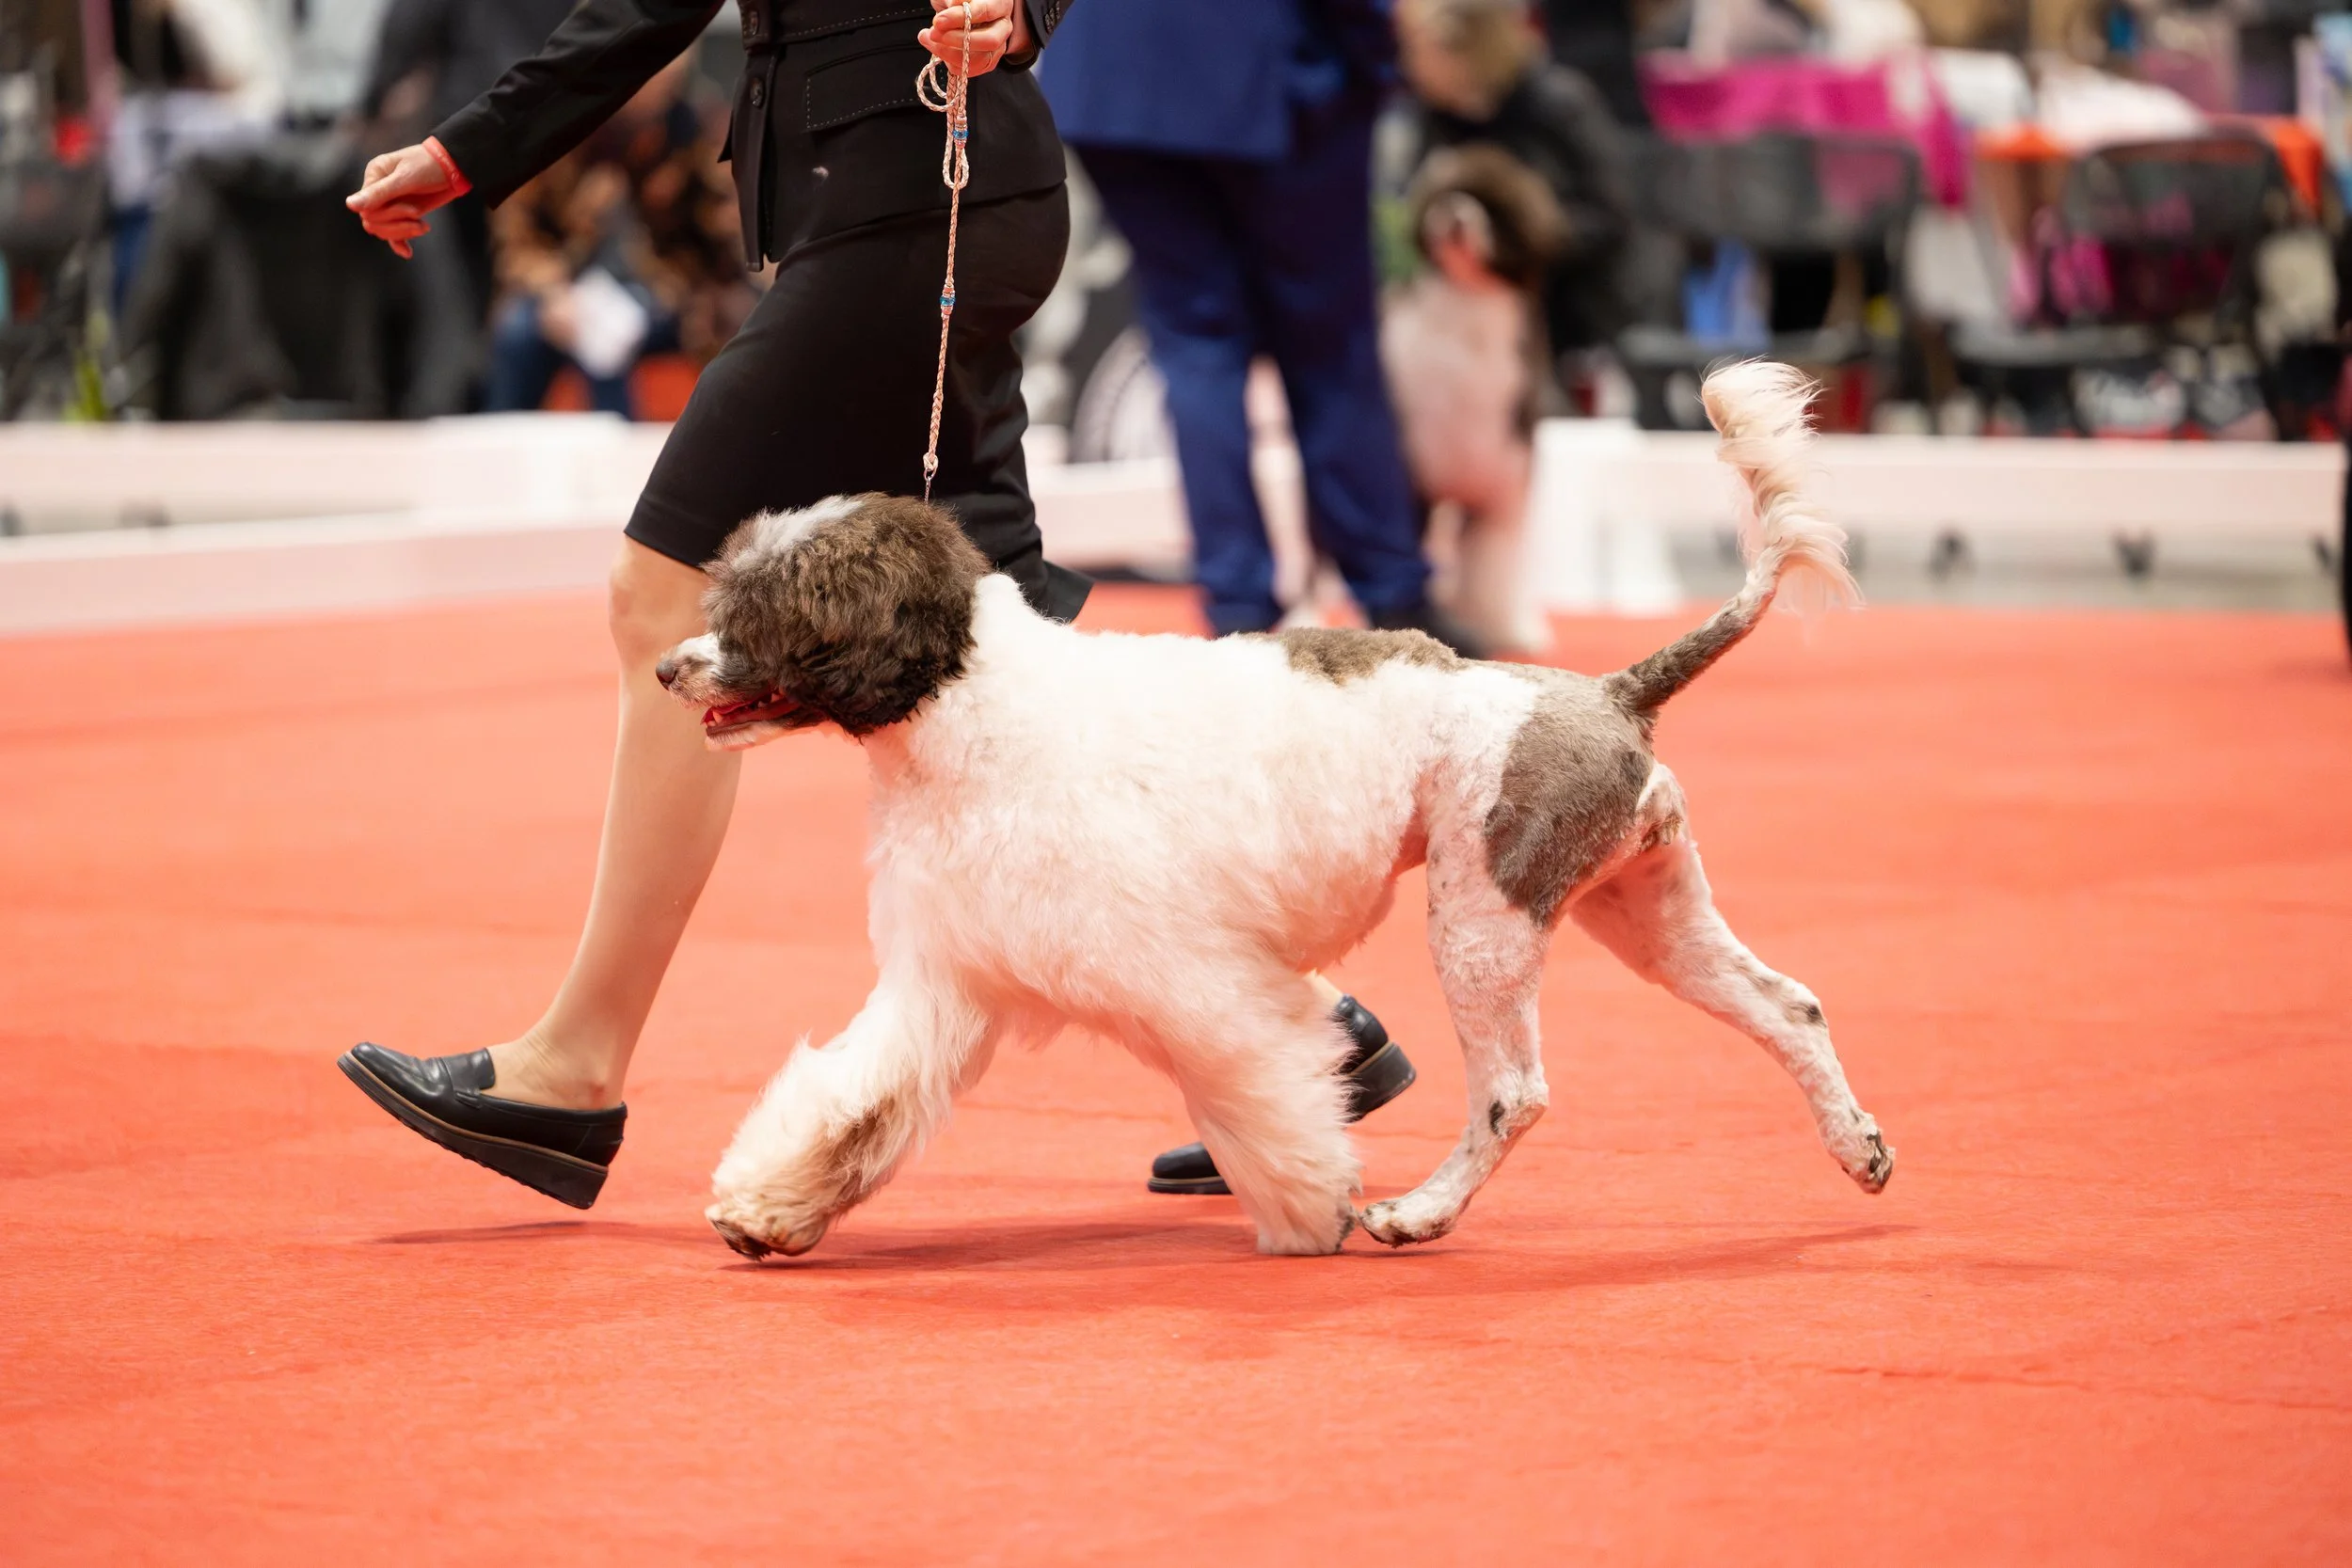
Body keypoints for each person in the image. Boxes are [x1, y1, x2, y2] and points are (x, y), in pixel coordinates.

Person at [335, 0, 1417, 1210]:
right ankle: (1309, 1024)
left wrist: (1024, 11)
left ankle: (575, 1065)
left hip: (915, 198)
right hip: (905, 194)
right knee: (997, 642)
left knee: (663, 593)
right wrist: (469, 150)